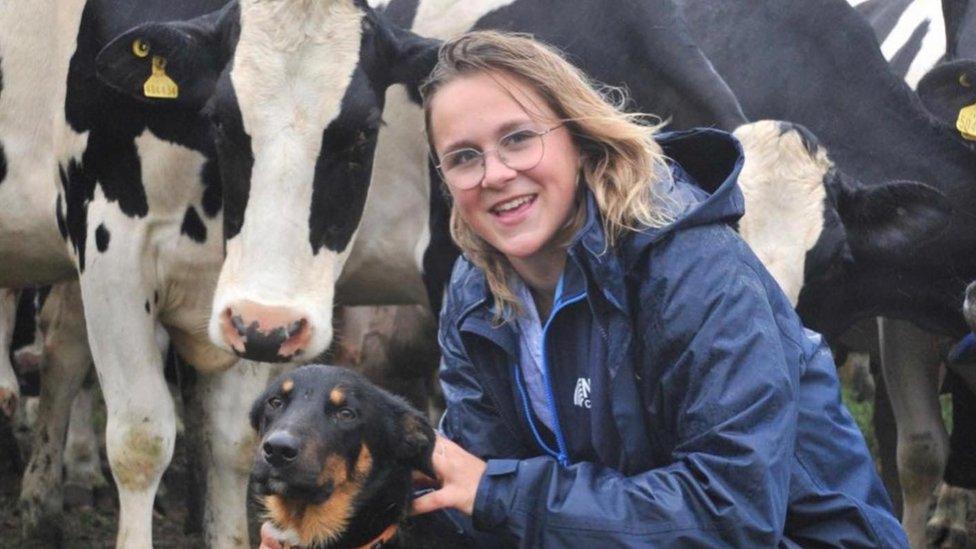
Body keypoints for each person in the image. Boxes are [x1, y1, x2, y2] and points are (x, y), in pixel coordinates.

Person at [262, 31, 907, 548]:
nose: (496, 174)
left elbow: (731, 515)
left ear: (577, 136)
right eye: (463, 157)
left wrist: (498, 494)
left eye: (518, 139)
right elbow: (479, 492)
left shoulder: (696, 271)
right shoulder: (476, 288)